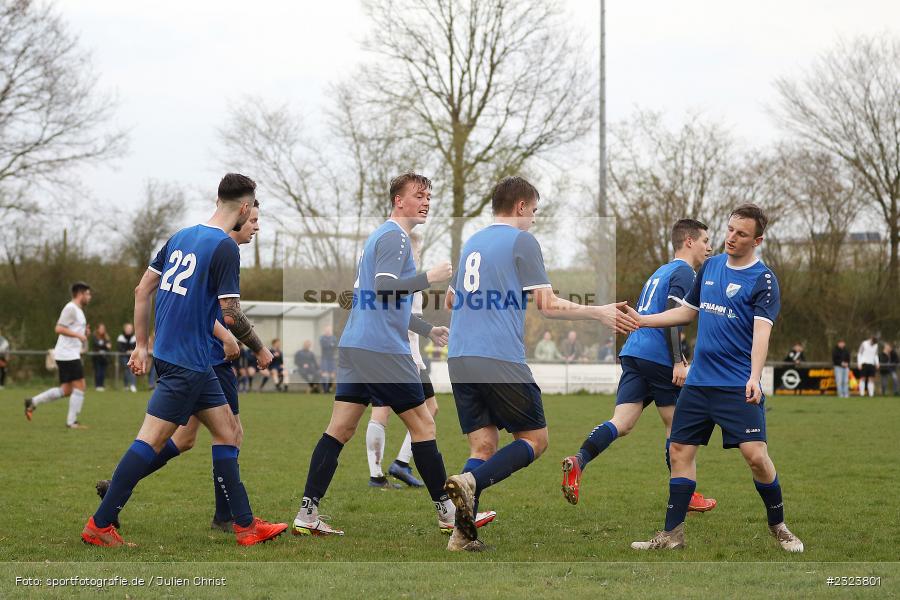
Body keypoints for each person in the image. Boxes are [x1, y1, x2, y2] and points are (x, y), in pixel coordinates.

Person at [81, 173, 286, 547]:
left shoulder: (182, 236)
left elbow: (143, 289)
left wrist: (142, 346)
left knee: (228, 432)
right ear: (244, 207)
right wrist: (259, 347)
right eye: (252, 212)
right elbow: (232, 314)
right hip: (187, 361)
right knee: (152, 439)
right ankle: (100, 523)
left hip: (185, 358)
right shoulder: (225, 247)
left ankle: (244, 525)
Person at [442, 176, 637, 551]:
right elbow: (547, 305)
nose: (532, 219)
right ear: (520, 207)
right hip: (497, 356)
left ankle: (462, 537)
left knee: (482, 445)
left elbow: (451, 302)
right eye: (533, 211)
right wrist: (597, 312)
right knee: (535, 439)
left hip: (460, 357)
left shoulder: (473, 242)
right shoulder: (522, 240)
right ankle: (472, 483)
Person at [627, 204, 803, 553]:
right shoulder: (710, 266)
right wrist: (643, 320)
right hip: (698, 383)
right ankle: (672, 535)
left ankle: (779, 526)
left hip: (737, 384)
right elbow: (687, 312)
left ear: (758, 239)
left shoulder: (763, 279)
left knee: (755, 456)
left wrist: (754, 377)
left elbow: (761, 333)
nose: (731, 237)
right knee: (679, 451)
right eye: (730, 229)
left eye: (741, 233)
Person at [292, 172, 456, 539]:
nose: (426, 201)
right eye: (419, 195)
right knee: (424, 424)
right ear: (399, 200)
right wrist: (429, 276)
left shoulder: (380, 237)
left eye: (429, 195)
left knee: (340, 428)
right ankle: (450, 515)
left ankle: (307, 512)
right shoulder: (396, 237)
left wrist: (427, 329)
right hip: (381, 349)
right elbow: (384, 289)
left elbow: (379, 300)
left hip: (356, 345)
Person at [561, 219, 716, 512]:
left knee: (622, 422)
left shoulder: (661, 270)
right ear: (689, 241)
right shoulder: (685, 272)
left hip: (634, 351)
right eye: (706, 240)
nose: (710, 247)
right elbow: (674, 315)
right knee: (679, 426)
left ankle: (579, 460)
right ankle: (687, 494)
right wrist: (677, 361)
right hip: (658, 355)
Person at [24, 282, 93, 428]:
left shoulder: (79, 311)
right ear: (80, 294)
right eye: (87, 294)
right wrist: (78, 336)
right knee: (81, 386)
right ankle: (72, 422)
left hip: (68, 353)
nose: (89, 297)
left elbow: (72, 330)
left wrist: (83, 333)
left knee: (67, 390)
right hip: (67, 354)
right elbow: (59, 328)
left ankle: (33, 402)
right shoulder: (70, 308)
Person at [117, 323, 137, 392]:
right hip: (124, 357)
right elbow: (120, 348)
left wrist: (132, 351)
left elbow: (136, 347)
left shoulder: (134, 337)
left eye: (130, 329)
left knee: (132, 370)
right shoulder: (121, 337)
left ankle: (133, 385)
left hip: (132, 357)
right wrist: (126, 351)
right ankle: (126, 386)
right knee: (126, 370)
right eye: (128, 328)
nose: (129, 330)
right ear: (125, 329)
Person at [91, 324, 111, 391]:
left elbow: (109, 346)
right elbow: (97, 344)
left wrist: (103, 345)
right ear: (98, 329)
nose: (102, 330)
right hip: (97, 358)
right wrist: (105, 345)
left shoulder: (106, 337)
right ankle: (97, 386)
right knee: (98, 372)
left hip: (104, 358)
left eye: (103, 328)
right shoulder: (94, 336)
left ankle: (101, 385)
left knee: (102, 372)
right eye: (101, 328)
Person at [319, 326, 337, 394]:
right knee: (325, 374)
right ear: (325, 331)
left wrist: (330, 345)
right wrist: (330, 344)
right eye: (327, 330)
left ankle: (329, 388)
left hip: (332, 358)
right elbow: (324, 346)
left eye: (329, 330)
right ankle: (325, 390)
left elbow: (335, 346)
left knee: (332, 374)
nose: (328, 331)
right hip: (324, 358)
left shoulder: (334, 338)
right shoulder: (322, 338)